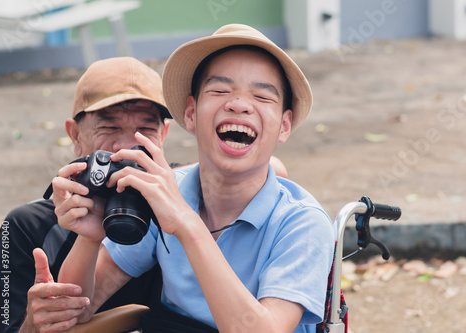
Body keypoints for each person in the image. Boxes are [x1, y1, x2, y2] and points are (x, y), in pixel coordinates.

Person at [54, 24, 334, 333]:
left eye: (262, 96)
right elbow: (73, 312)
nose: (238, 104)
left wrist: (186, 223)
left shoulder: (303, 223)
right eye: (220, 91)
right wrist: (90, 238)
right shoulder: (161, 191)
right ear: (190, 113)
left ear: (284, 125)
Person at [0, 56, 173, 333]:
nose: (126, 146)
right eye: (110, 127)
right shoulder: (23, 226)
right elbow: (11, 326)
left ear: (163, 135)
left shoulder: (185, 201)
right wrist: (34, 323)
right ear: (75, 135)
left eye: (145, 130)